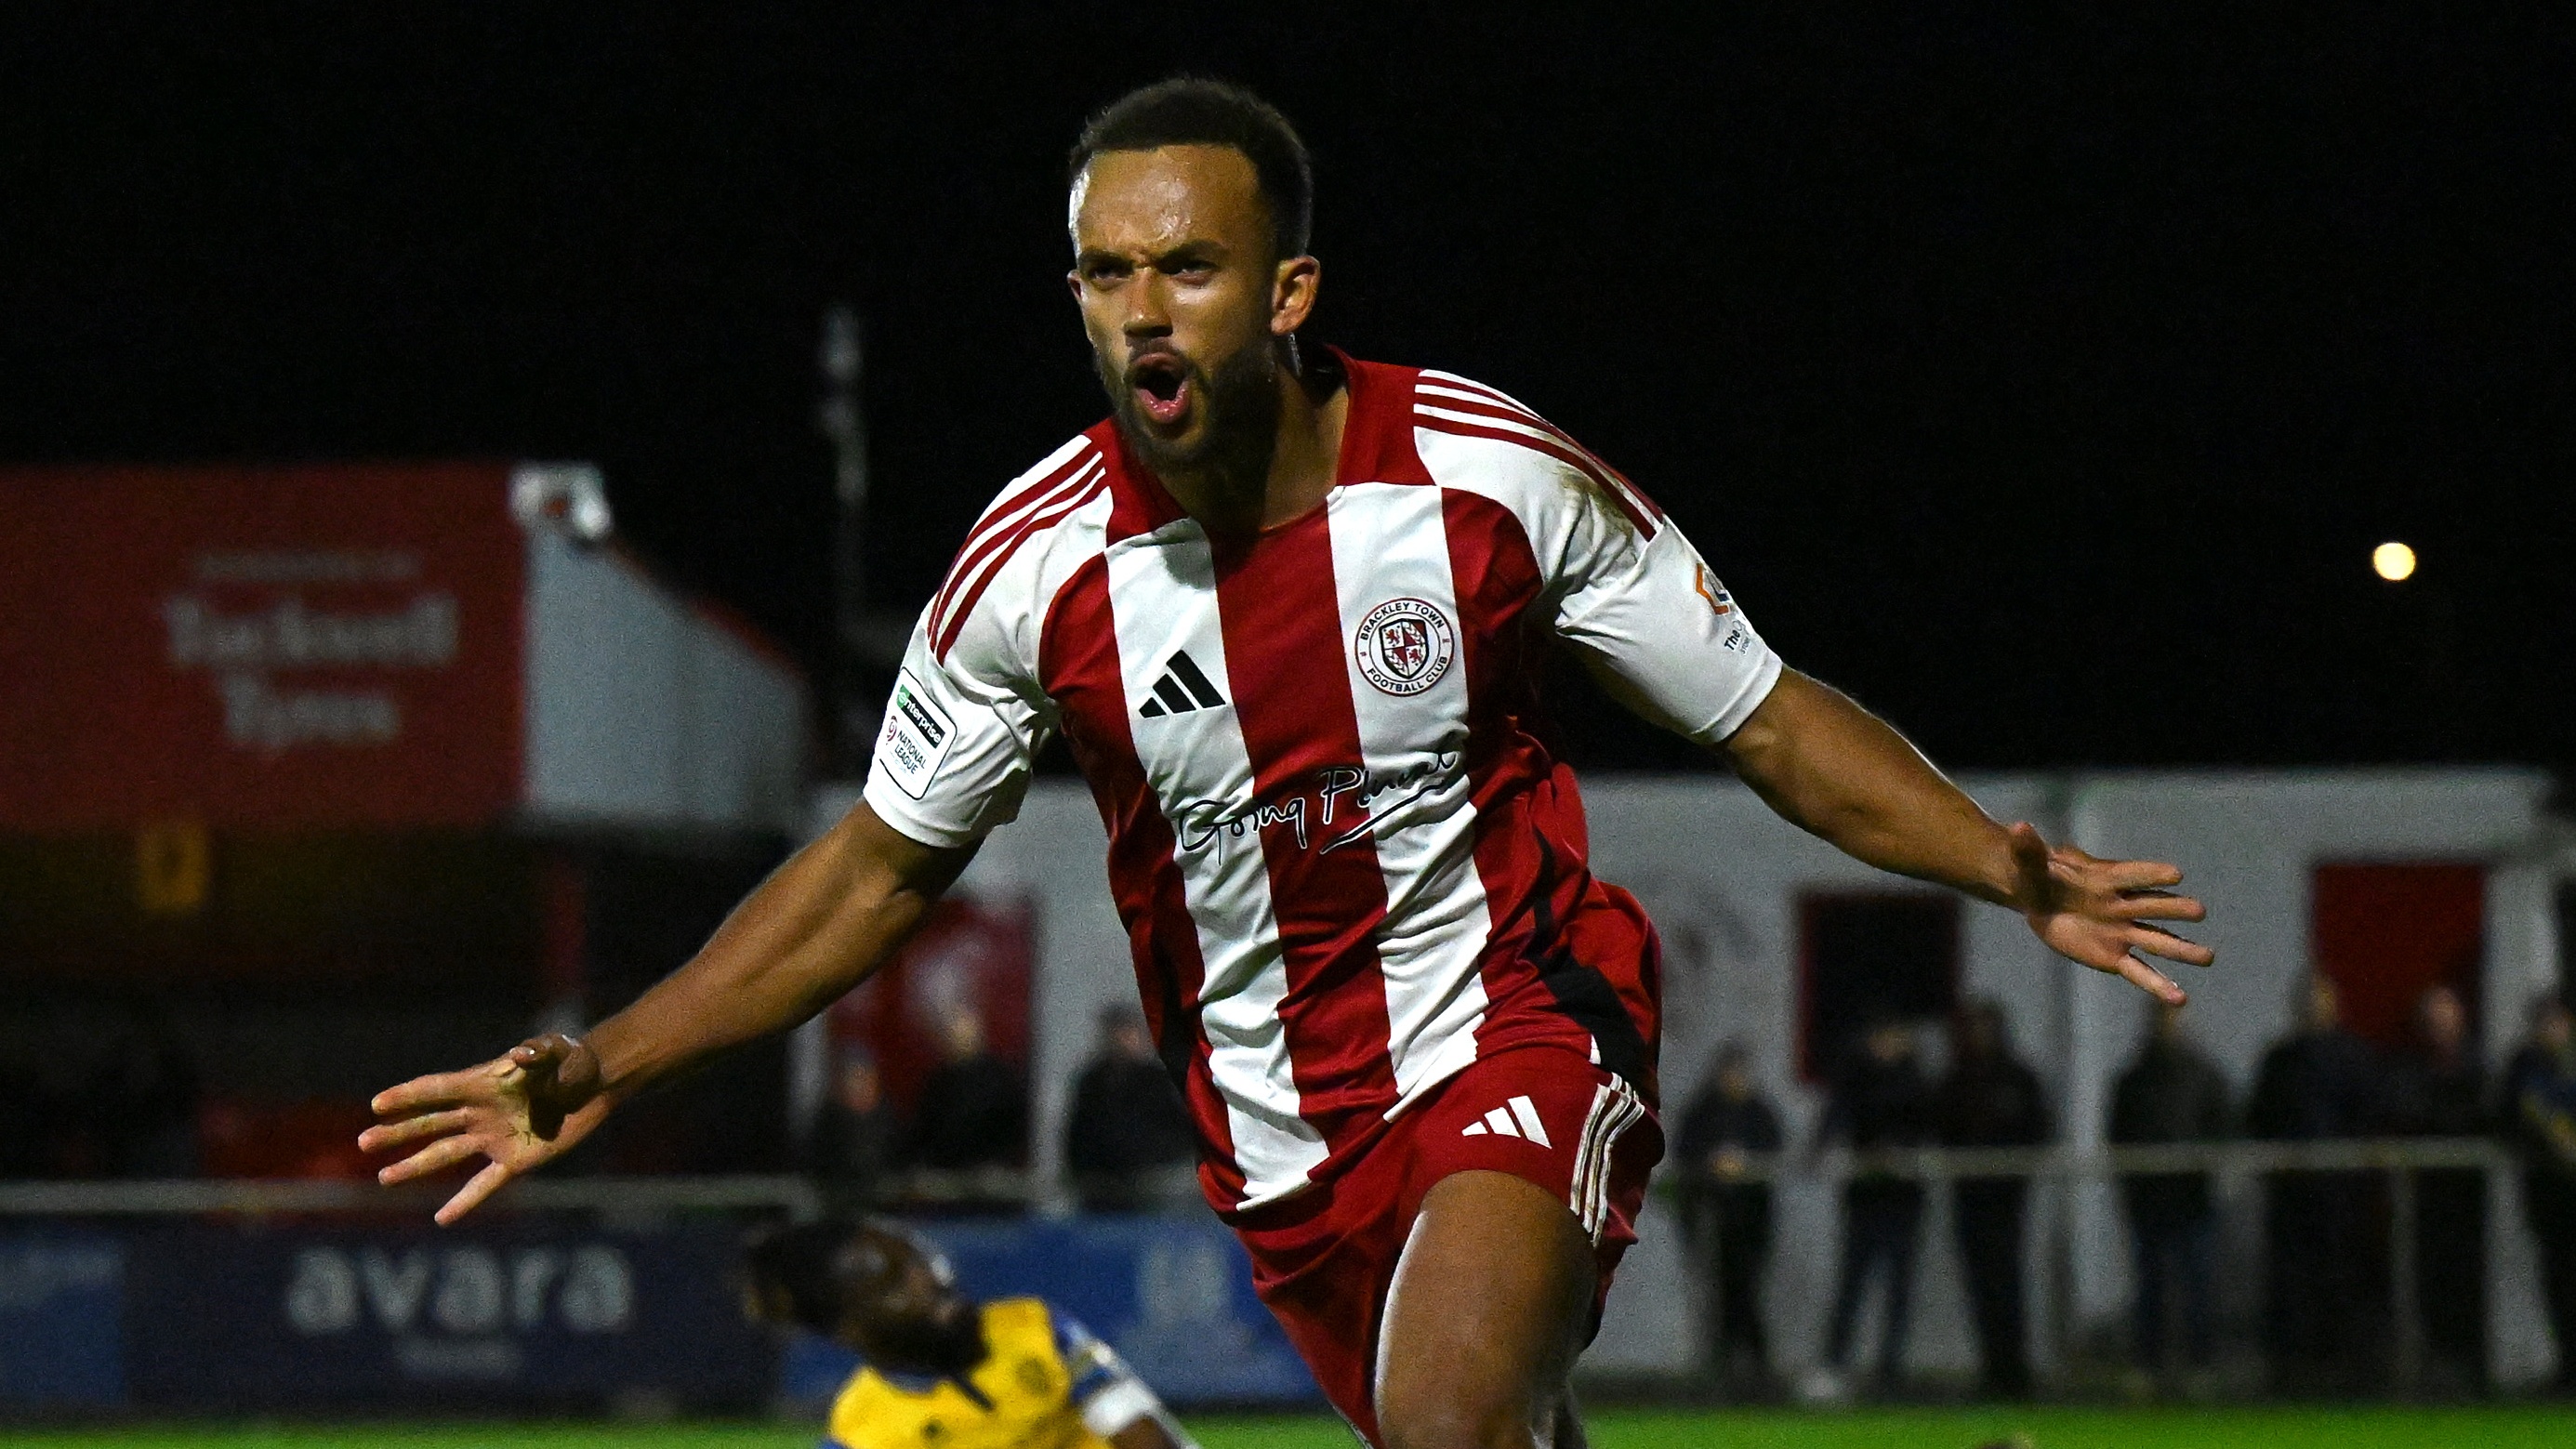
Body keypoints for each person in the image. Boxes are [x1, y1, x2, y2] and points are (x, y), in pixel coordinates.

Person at [358, 78, 2213, 1449]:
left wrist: (1998, 858)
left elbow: (1764, 711)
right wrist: (598, 1054)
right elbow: (868, 875)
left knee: (1446, 1412)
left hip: (1517, 1017)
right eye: (1102, 273)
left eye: (1186, 266)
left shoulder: (1484, 478)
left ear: (1287, 288)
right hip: (1277, 1133)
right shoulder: (1029, 576)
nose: (1139, 310)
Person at [744, 1218, 1195, 1449]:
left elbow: (1145, 1435)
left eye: (921, 1259)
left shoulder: (1033, 1326)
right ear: (849, 1328)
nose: (934, 1277)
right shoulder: (864, 1431)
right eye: (894, 1282)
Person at [2246, 973, 2387, 1394]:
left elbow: (2371, 1120)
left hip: (2342, 1202)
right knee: (2291, 1288)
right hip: (2290, 1199)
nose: (2311, 1007)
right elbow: (2258, 1119)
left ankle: (2344, 1374)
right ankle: (2291, 1375)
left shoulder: (2353, 1059)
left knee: (2341, 1285)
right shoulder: (2280, 1062)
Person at [2107, 997, 2231, 1386]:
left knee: (2197, 1285)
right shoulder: (2133, 1079)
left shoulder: (2205, 1077)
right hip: (2149, 1201)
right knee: (2151, 1287)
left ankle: (2200, 1365)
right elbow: (2119, 1136)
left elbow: (2222, 1131)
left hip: (2193, 1200)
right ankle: (2149, 1365)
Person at [1932, 1000, 2050, 1399]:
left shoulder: (2018, 1079)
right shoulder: (1957, 1080)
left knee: (2009, 1287)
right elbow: (1941, 1131)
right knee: (1981, 1288)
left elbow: (2039, 1130)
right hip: (1969, 1199)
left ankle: (2014, 1373)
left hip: (2007, 1201)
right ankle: (1991, 1372)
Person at [1814, 1016, 1934, 1395]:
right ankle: (1835, 1365)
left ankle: (1890, 1372)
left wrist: (1899, 1151)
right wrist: (1823, 1147)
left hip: (1903, 1197)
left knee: (1898, 1287)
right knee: (1853, 1283)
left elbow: (1929, 1122)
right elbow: (1837, 1115)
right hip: (1866, 1196)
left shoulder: (1914, 1080)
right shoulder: (1858, 1076)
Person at [2385, 982, 2489, 1392]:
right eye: (2432, 1017)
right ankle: (2436, 1370)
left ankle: (2473, 1370)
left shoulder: (2478, 1069)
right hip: (2425, 1202)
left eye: (2445, 1016)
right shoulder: (2409, 1069)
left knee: (2472, 1284)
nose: (2439, 1025)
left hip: (2472, 1202)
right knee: (2429, 1287)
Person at [1671, 1042, 1783, 1391]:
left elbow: (1774, 1151)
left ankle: (1750, 1368)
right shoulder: (1703, 1111)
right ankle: (1728, 1368)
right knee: (1721, 1293)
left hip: (1752, 1218)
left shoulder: (1759, 1112)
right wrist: (1712, 1165)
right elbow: (1683, 1151)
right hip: (1712, 1219)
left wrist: (1743, 1164)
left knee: (1746, 1291)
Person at [2503, 994, 2576, 1393]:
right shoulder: (2527, 1066)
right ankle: (2568, 1367)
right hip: (2553, 1198)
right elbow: (2522, 1113)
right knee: (2560, 1283)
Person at [1066, 1006, 1199, 1212]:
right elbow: (1079, 1127)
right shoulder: (1092, 1081)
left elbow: (1178, 1127)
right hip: (1099, 1181)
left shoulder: (1155, 1080)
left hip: (1148, 1179)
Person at [907, 1008, 1029, 1210]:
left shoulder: (999, 1076)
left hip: (990, 1182)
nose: (956, 1039)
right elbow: (925, 1127)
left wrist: (1000, 1162)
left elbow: (1014, 1123)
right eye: (951, 1033)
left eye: (961, 1031)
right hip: (947, 1181)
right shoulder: (939, 1081)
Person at [807, 1047, 897, 1215]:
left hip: (885, 1207)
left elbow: (900, 1157)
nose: (860, 1085)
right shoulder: (829, 1121)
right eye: (854, 1078)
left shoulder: (887, 1118)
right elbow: (814, 1163)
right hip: (835, 1206)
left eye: (865, 1077)